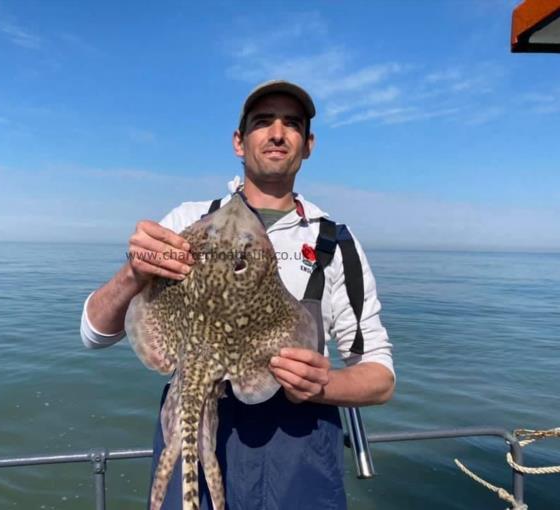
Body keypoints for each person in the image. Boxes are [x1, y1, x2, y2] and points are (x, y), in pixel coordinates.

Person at [80, 80, 395, 509]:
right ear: (238, 141)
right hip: (189, 419)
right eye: (263, 122)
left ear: (308, 144)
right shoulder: (187, 221)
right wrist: (132, 274)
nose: (278, 133)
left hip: (298, 455)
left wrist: (325, 384)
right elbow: (94, 334)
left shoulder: (333, 241)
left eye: (292, 124)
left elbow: (379, 377)